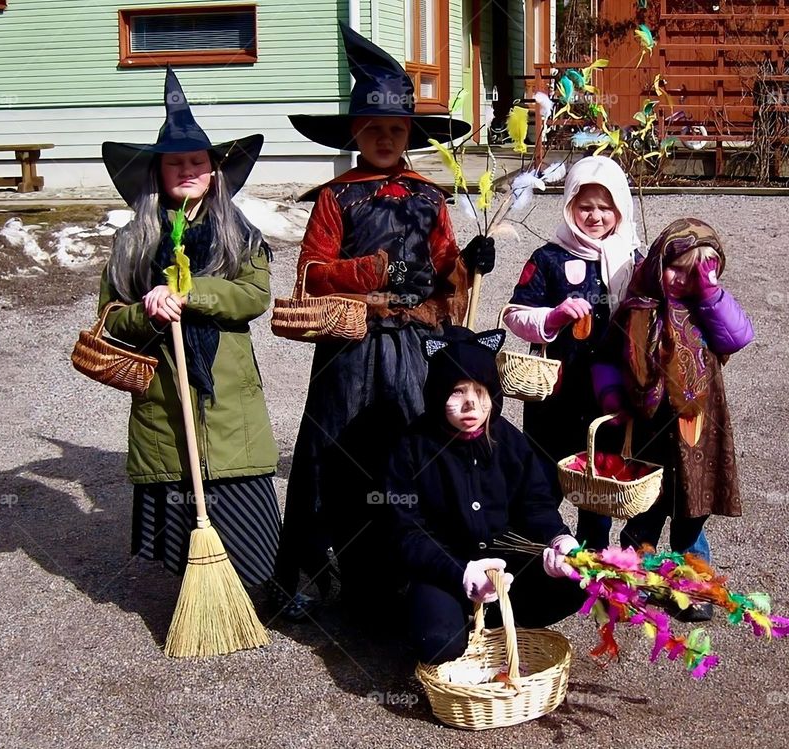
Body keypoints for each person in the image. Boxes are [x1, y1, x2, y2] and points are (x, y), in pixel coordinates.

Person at [269, 23, 495, 620]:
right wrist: (370, 270)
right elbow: (312, 274)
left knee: (409, 452)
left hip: (415, 347)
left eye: (397, 130)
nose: (387, 139)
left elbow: (446, 273)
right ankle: (314, 570)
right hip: (350, 349)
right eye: (375, 130)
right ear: (355, 134)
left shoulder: (430, 199)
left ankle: (409, 569)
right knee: (332, 454)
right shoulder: (335, 198)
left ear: (411, 135)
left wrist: (468, 264)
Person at [98, 68, 281, 591]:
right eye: (175, 162)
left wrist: (191, 292)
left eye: (197, 161)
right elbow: (109, 320)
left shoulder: (240, 235)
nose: (187, 169)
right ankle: (194, 594)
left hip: (227, 398)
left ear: (214, 170)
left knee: (247, 521)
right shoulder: (132, 242)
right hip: (163, 394)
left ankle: (250, 591)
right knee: (180, 497)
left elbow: (253, 298)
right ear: (156, 172)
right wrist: (148, 310)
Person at [386, 327, 583, 664]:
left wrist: (557, 537)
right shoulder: (412, 448)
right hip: (445, 568)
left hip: (504, 563)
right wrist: (460, 573)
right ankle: (447, 613)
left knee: (573, 581)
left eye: (480, 391)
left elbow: (535, 502)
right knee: (437, 644)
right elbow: (407, 531)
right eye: (457, 392)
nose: (471, 404)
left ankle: (495, 618)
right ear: (437, 395)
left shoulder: (509, 440)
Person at [612, 218, 753, 621]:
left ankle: (691, 586)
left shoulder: (705, 308)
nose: (681, 279)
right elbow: (611, 358)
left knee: (692, 512)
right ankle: (636, 578)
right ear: (658, 260)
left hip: (698, 434)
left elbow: (738, 336)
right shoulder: (639, 306)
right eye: (677, 267)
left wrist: (709, 291)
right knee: (649, 509)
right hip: (652, 427)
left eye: (696, 273)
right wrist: (612, 395)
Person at [501, 156, 641, 550]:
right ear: (568, 206)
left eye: (604, 207)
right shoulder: (548, 258)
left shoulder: (632, 260)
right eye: (585, 206)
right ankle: (538, 549)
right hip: (557, 392)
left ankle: (593, 553)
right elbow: (515, 314)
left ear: (620, 209)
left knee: (598, 474)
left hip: (608, 390)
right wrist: (554, 316)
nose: (594, 216)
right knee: (545, 472)